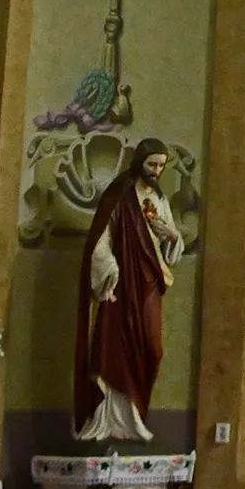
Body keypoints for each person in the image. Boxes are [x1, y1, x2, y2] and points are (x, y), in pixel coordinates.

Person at [74, 138, 184, 443]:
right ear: (139, 162)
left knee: (152, 349)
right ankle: (111, 418)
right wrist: (110, 270)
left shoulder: (160, 199)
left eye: (161, 166)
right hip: (120, 284)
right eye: (152, 164)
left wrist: (172, 236)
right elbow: (101, 240)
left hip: (149, 280)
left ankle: (136, 412)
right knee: (114, 345)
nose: (156, 170)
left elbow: (170, 241)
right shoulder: (119, 194)